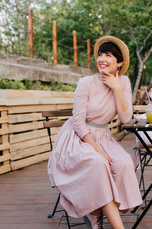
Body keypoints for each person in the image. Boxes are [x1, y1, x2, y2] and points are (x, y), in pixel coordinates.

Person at [48, 36, 143, 229]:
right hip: (78, 138)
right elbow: (78, 123)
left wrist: (116, 88)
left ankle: (95, 210)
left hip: (104, 137)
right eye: (100, 55)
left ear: (119, 63)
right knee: (99, 163)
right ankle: (109, 222)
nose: (102, 59)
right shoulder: (86, 83)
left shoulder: (123, 82)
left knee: (124, 162)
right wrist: (99, 152)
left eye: (108, 55)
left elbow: (126, 119)